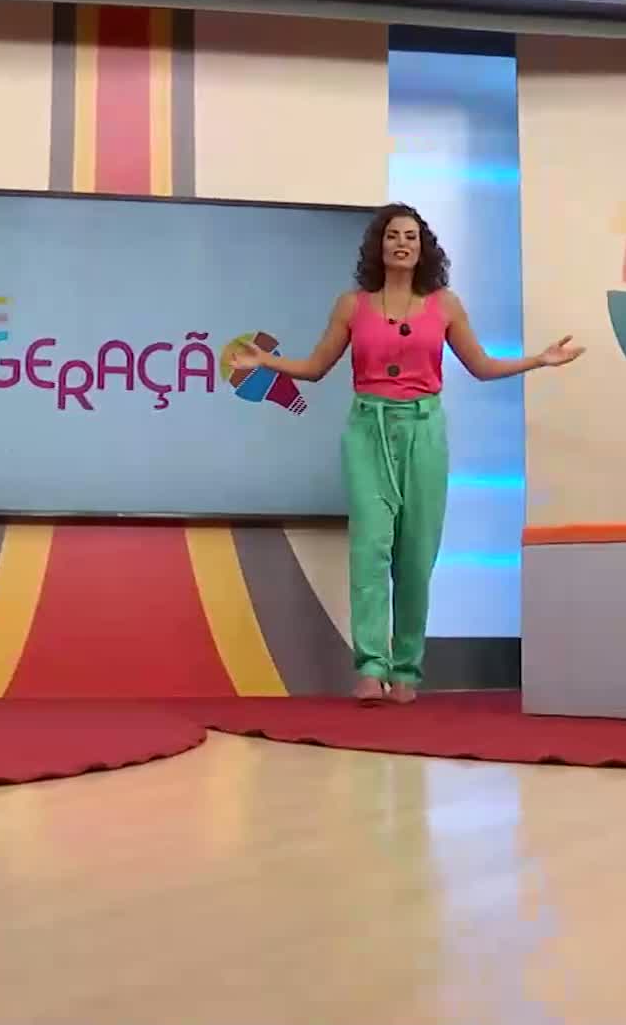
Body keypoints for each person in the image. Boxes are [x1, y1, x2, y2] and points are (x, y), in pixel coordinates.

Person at [226, 203, 583, 704]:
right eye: (393, 235)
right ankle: (370, 668)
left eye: (411, 237)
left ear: (422, 248)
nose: (401, 243)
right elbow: (315, 367)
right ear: (379, 245)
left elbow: (481, 367)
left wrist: (540, 360)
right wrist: (267, 361)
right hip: (367, 431)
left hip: (424, 431)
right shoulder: (352, 305)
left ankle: (407, 671)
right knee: (369, 550)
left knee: (416, 556)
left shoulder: (445, 305)